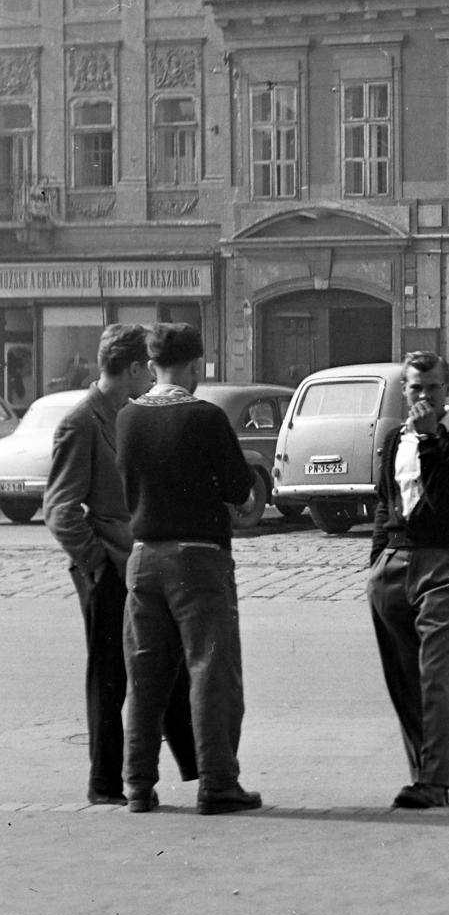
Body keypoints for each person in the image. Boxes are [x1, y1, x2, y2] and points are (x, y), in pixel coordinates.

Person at [43, 323, 197, 806]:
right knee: (111, 676)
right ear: (132, 369)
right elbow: (60, 509)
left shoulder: (125, 415)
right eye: (144, 371)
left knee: (165, 661)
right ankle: (105, 783)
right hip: (107, 568)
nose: (150, 379)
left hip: (138, 563)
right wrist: (96, 564)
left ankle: (201, 768)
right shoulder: (81, 421)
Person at [118, 323, 259, 814]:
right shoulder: (205, 416)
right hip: (198, 558)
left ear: (153, 364)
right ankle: (218, 781)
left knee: (146, 676)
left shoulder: (126, 418)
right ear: (195, 364)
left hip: (142, 558)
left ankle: (137, 783)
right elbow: (239, 487)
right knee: (209, 670)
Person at [368, 351, 449, 809]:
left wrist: (431, 439)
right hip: (393, 566)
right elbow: (385, 501)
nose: (423, 397)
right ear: (405, 390)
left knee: (434, 675)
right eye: (415, 388)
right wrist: (377, 561)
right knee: (403, 679)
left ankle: (435, 780)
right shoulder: (393, 438)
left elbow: (446, 501)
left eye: (433, 389)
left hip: (442, 564)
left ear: (447, 392)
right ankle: (421, 774)